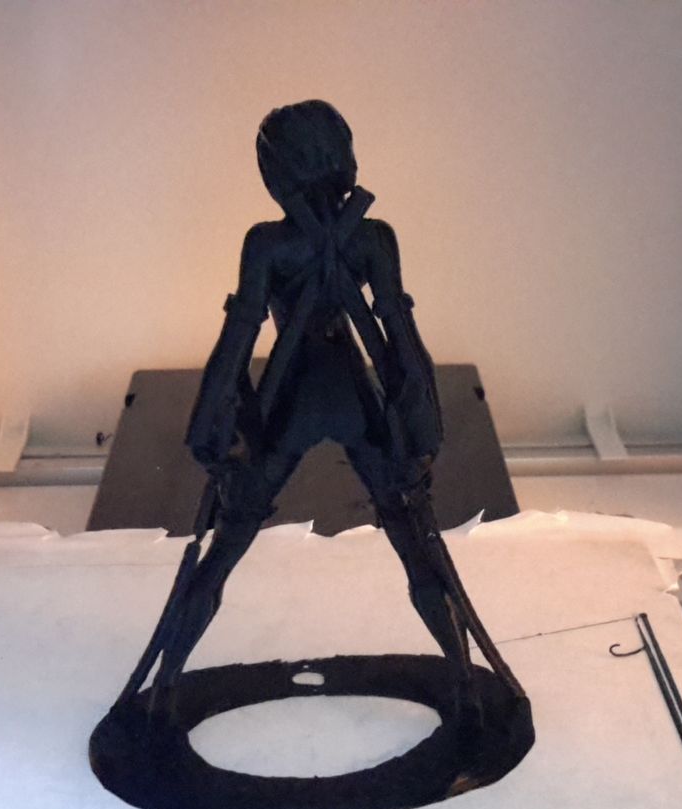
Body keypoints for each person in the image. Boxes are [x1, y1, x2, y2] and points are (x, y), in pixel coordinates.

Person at [119, 100, 520, 711]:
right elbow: (402, 339)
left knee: (226, 548)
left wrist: (209, 428)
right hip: (355, 400)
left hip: (294, 400)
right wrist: (424, 427)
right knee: (413, 544)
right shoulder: (371, 237)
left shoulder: (269, 244)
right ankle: (463, 682)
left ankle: (168, 684)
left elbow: (238, 340)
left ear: (276, 173)